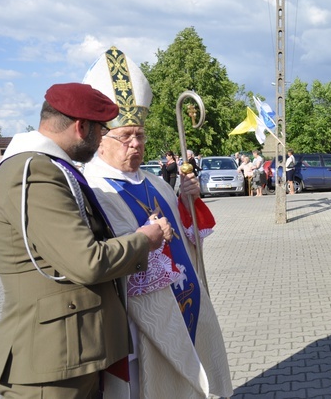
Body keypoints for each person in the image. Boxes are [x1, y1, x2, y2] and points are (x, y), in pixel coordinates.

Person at [0, 82, 169, 398]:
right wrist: (144, 240)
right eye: (100, 129)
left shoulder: (50, 167)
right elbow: (87, 262)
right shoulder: (33, 171)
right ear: (81, 126)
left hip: (70, 351)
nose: (102, 138)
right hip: (51, 359)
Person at [81, 46, 233, 398]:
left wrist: (186, 200)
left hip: (186, 300)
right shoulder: (92, 189)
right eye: (126, 137)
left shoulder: (158, 184)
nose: (136, 145)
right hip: (141, 322)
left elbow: (188, 237)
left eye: (140, 135)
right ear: (101, 139)